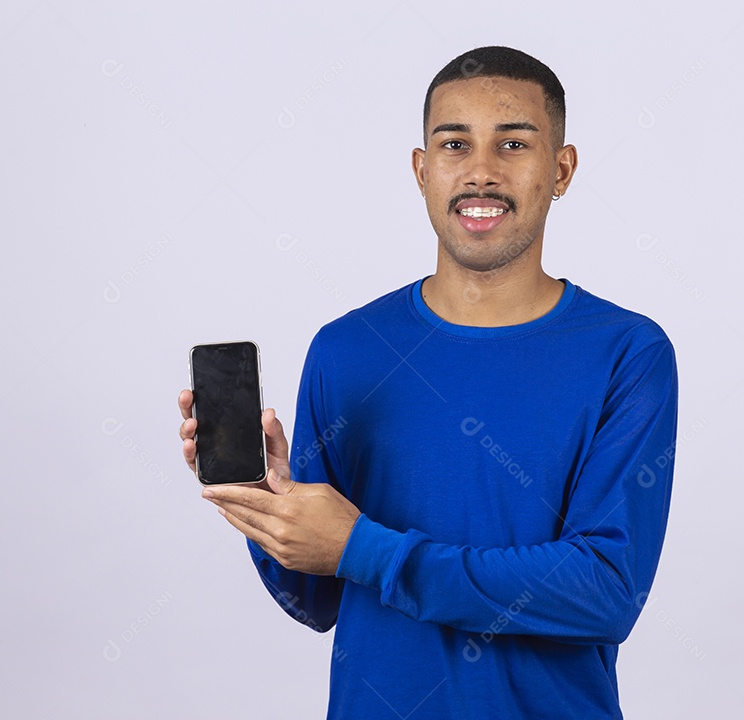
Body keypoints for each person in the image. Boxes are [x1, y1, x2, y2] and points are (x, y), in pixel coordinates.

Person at [177, 45, 678, 720]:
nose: (480, 171)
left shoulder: (628, 353)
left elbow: (605, 591)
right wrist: (270, 510)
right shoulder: (347, 350)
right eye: (454, 144)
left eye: (513, 144)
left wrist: (366, 549)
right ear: (422, 170)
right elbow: (315, 601)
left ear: (561, 170)